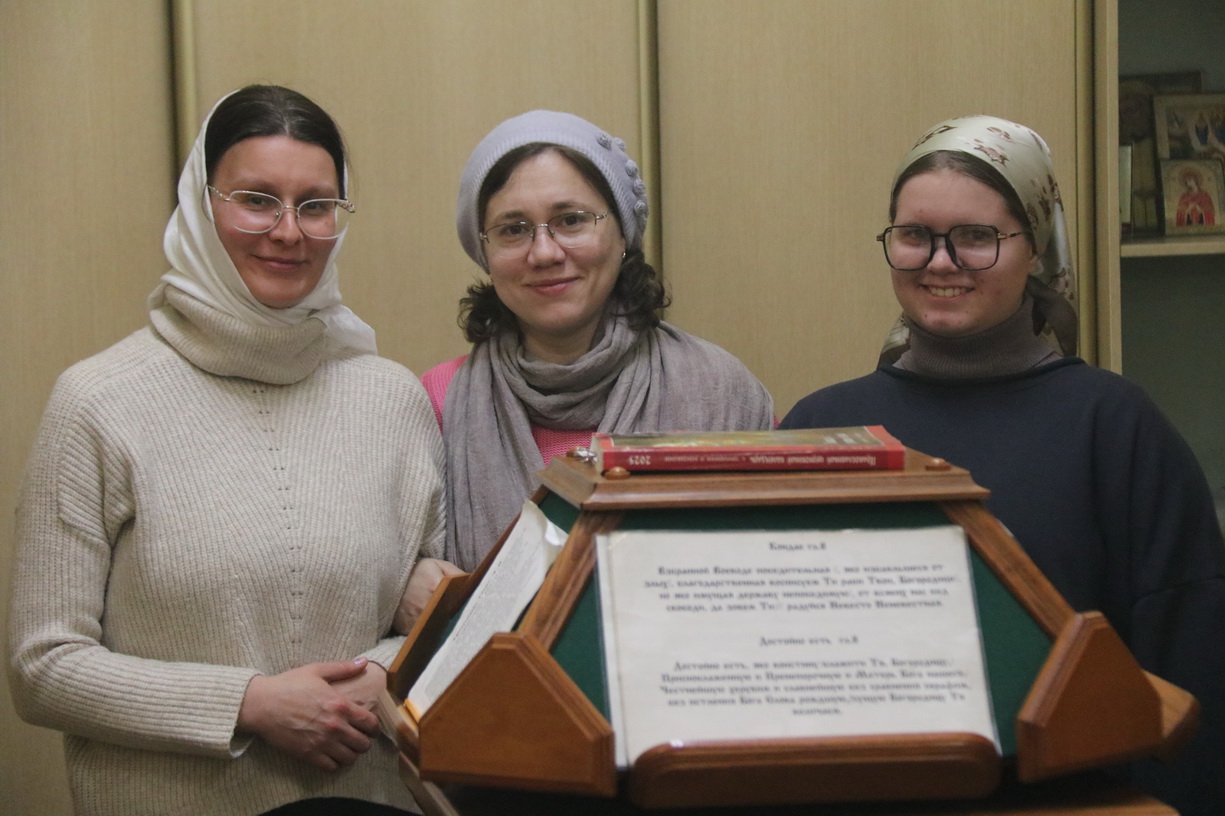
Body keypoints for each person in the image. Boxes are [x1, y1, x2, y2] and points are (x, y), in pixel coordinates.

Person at [7, 85, 446, 816]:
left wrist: (381, 675)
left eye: (315, 205)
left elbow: (434, 617)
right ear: (199, 207)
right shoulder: (99, 403)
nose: (288, 231)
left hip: (369, 800)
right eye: (256, 199)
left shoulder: (392, 400)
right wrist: (249, 704)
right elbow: (42, 666)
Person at [779, 115, 1225, 816]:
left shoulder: (1113, 426)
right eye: (914, 235)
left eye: (976, 236)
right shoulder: (821, 426)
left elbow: (1188, 666)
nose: (940, 262)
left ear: (1034, 249)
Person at [424, 110, 774, 570]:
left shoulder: (722, 390)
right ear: (484, 252)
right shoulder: (438, 402)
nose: (544, 253)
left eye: (571, 220)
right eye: (513, 230)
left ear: (623, 234)